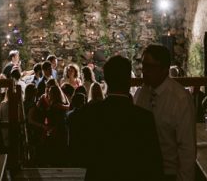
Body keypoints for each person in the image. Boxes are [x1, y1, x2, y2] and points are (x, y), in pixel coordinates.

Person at [68, 55, 163, 181]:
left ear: (106, 80)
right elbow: (154, 164)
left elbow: (76, 155)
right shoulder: (143, 118)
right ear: (129, 81)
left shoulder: (87, 113)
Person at [134, 44, 195, 181]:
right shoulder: (142, 93)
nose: (144, 71)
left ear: (164, 69)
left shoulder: (180, 99)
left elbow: (187, 148)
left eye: (149, 67)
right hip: (144, 171)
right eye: (143, 66)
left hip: (168, 173)